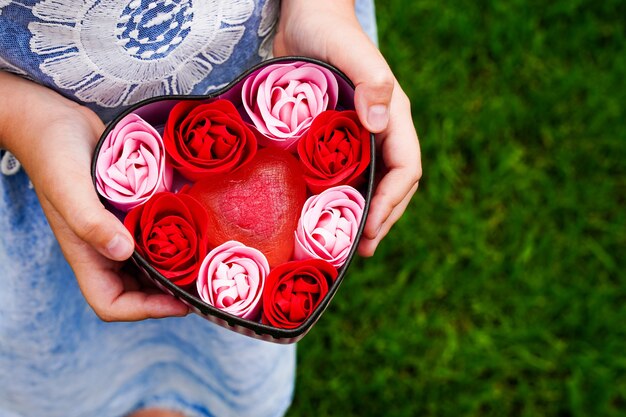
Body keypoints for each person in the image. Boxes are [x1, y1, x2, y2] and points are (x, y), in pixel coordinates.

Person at [0, 0, 421, 416]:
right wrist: (24, 119)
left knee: (215, 354)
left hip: (260, 59)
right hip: (40, 164)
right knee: (71, 364)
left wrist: (322, 12)